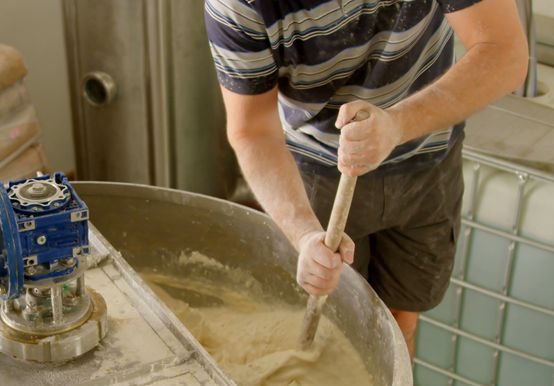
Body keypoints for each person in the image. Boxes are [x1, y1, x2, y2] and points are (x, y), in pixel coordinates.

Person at [206, 0, 528, 354]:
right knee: (331, 335)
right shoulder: (238, 5)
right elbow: (253, 131)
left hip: (427, 157)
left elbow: (505, 54)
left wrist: (398, 124)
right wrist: (304, 233)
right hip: (316, 171)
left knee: (400, 321)